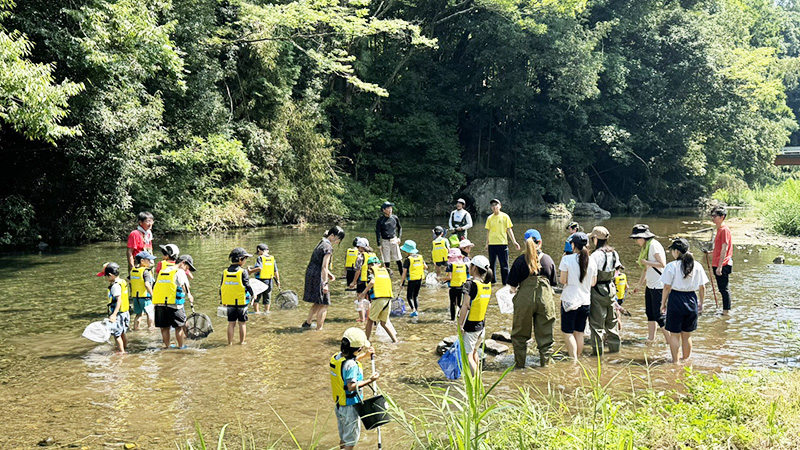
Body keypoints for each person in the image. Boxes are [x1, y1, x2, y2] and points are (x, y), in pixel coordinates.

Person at [507, 229, 558, 368]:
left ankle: (519, 367)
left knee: (519, 336)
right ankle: (545, 367)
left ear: (524, 244)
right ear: (540, 243)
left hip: (524, 300)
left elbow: (512, 287)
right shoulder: (548, 260)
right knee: (546, 337)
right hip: (544, 299)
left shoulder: (519, 261)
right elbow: (553, 283)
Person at [329, 328, 379, 450]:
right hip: (350, 407)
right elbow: (351, 387)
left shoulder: (337, 357)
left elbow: (347, 365)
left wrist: (365, 356)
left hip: (339, 404)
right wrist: (370, 380)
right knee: (351, 441)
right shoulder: (351, 365)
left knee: (344, 437)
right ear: (358, 349)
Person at [661, 238, 707, 364]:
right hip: (692, 299)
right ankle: (686, 361)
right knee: (687, 335)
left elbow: (666, 287)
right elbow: (702, 287)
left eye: (672, 251)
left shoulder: (671, 266)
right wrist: (701, 304)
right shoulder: (697, 266)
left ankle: (675, 362)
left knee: (674, 334)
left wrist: (662, 304)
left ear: (676, 251)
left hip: (676, 299)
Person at [558, 232, 597, 361]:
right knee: (579, 332)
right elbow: (593, 283)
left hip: (569, 300)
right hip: (585, 301)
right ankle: (578, 358)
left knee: (567, 332)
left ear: (573, 245)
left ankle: (573, 359)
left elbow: (563, 280)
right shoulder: (592, 261)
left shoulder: (567, 259)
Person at [630, 224, 669, 343]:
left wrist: (646, 261)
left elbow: (662, 264)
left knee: (659, 315)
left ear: (643, 237)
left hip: (658, 285)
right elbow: (646, 269)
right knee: (650, 313)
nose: (636, 241)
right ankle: (651, 338)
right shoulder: (646, 247)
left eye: (637, 238)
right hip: (650, 285)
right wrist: (639, 285)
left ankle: (670, 340)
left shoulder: (653, 246)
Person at [303, 226, 345, 331]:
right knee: (325, 303)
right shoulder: (328, 247)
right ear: (332, 236)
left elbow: (318, 262)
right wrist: (325, 283)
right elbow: (324, 266)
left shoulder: (321, 243)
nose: (338, 241)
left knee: (318, 301)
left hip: (311, 273)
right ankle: (319, 329)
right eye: (338, 238)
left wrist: (329, 274)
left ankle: (307, 323)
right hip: (318, 276)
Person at [588, 226, 621, 355]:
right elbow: (617, 269)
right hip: (611, 289)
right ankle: (615, 352)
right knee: (611, 322)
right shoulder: (614, 253)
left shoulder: (595, 255)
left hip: (598, 290)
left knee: (596, 324)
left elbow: (591, 274)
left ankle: (597, 355)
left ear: (596, 239)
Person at [458, 255, 493, 374]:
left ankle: (476, 384)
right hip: (481, 326)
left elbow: (465, 305)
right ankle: (478, 380)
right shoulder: (486, 285)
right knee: (474, 353)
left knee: (468, 356)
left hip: (470, 326)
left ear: (474, 268)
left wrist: (460, 324)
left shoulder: (470, 284)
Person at [152, 254, 196, 349]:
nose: (186, 270)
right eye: (187, 267)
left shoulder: (163, 270)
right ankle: (181, 346)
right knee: (179, 327)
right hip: (174, 305)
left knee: (164, 327)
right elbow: (184, 285)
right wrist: (189, 295)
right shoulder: (179, 271)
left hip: (160, 304)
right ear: (183, 263)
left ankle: (167, 347)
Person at [221, 247, 254, 345]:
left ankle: (230, 343)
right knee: (242, 323)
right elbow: (247, 285)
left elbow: (222, 287)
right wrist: (253, 294)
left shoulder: (225, 272)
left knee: (231, 323)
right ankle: (242, 342)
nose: (245, 261)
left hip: (229, 301)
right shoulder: (242, 272)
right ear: (240, 259)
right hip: (241, 302)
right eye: (245, 259)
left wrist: (222, 300)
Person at [483, 199, 519, 285]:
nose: (494, 207)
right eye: (492, 205)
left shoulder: (505, 216)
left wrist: (514, 242)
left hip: (502, 244)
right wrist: (487, 244)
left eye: (496, 205)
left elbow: (509, 230)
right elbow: (488, 231)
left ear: (500, 206)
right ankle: (492, 281)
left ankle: (506, 282)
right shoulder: (489, 218)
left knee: (504, 265)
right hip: (492, 244)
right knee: (491, 264)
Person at [364, 256, 399, 342]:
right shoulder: (385, 271)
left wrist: (363, 293)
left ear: (369, 265)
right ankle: (395, 340)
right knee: (384, 323)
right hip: (388, 299)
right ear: (379, 264)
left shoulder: (371, 272)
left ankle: (365, 341)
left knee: (370, 321)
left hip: (378, 299)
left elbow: (372, 282)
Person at [97, 262, 130, 354]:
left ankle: (121, 352)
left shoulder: (115, 286)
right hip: (125, 312)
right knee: (122, 332)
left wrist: (114, 315)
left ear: (110, 275)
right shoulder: (122, 282)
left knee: (117, 335)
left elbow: (119, 301)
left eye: (105, 276)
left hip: (118, 313)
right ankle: (125, 347)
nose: (105, 278)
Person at [708, 206, 733, 314]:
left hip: (723, 264)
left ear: (722, 217)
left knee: (724, 289)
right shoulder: (719, 229)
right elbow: (719, 248)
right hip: (718, 262)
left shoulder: (724, 230)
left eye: (715, 216)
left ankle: (726, 311)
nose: (713, 218)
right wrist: (711, 252)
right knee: (721, 288)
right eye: (712, 216)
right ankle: (725, 311)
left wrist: (720, 266)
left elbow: (725, 247)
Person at [250, 243, 280, 314]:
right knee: (267, 298)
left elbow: (259, 268)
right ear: (268, 250)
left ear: (259, 250)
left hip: (259, 281)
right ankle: (267, 312)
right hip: (269, 281)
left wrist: (251, 270)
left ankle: (256, 312)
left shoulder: (260, 258)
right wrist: (278, 281)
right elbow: (276, 271)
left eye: (258, 252)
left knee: (256, 298)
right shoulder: (272, 258)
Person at [130, 250, 156, 330]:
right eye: (148, 260)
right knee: (150, 314)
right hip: (145, 297)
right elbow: (147, 284)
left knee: (138, 314)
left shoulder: (133, 270)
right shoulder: (145, 272)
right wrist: (153, 295)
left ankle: (136, 329)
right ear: (142, 261)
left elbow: (129, 280)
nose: (150, 262)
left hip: (136, 297)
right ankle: (151, 329)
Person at [375, 201, 404, 275]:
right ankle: (387, 278)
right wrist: (379, 244)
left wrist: (399, 238)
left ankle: (403, 279)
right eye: (388, 208)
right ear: (384, 210)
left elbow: (400, 228)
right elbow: (378, 232)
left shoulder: (395, 218)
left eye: (391, 208)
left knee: (399, 260)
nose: (390, 209)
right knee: (386, 261)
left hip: (394, 240)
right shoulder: (380, 220)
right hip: (385, 241)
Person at [400, 240, 426, 317]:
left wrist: (401, 283)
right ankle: (417, 310)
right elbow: (425, 266)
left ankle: (413, 310)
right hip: (419, 278)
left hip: (412, 279)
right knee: (415, 295)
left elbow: (404, 272)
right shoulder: (420, 257)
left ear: (406, 251)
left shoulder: (408, 259)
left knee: (409, 296)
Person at [440, 248, 468, 321]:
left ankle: (452, 319)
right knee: (459, 303)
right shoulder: (464, 265)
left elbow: (449, 277)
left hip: (453, 288)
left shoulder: (451, 266)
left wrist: (440, 278)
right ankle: (459, 316)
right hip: (462, 287)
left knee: (452, 303)